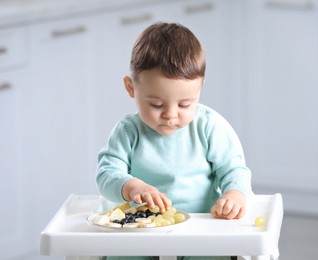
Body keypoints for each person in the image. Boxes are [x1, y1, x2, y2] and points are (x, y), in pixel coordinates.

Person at [96, 22, 253, 260]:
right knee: (119, 254)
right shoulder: (128, 131)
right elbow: (106, 174)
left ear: (199, 90)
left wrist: (235, 194)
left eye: (185, 104)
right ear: (131, 88)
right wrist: (130, 186)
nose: (170, 114)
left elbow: (234, 169)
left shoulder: (209, 126)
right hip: (138, 229)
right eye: (156, 104)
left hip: (201, 230)